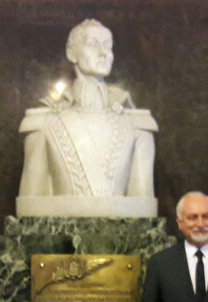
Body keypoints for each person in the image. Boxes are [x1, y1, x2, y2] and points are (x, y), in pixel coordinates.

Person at [17, 19, 157, 200]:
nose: (103, 53)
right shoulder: (42, 123)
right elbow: (30, 205)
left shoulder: (137, 125)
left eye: (108, 46)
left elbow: (142, 205)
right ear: (71, 53)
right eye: (93, 44)